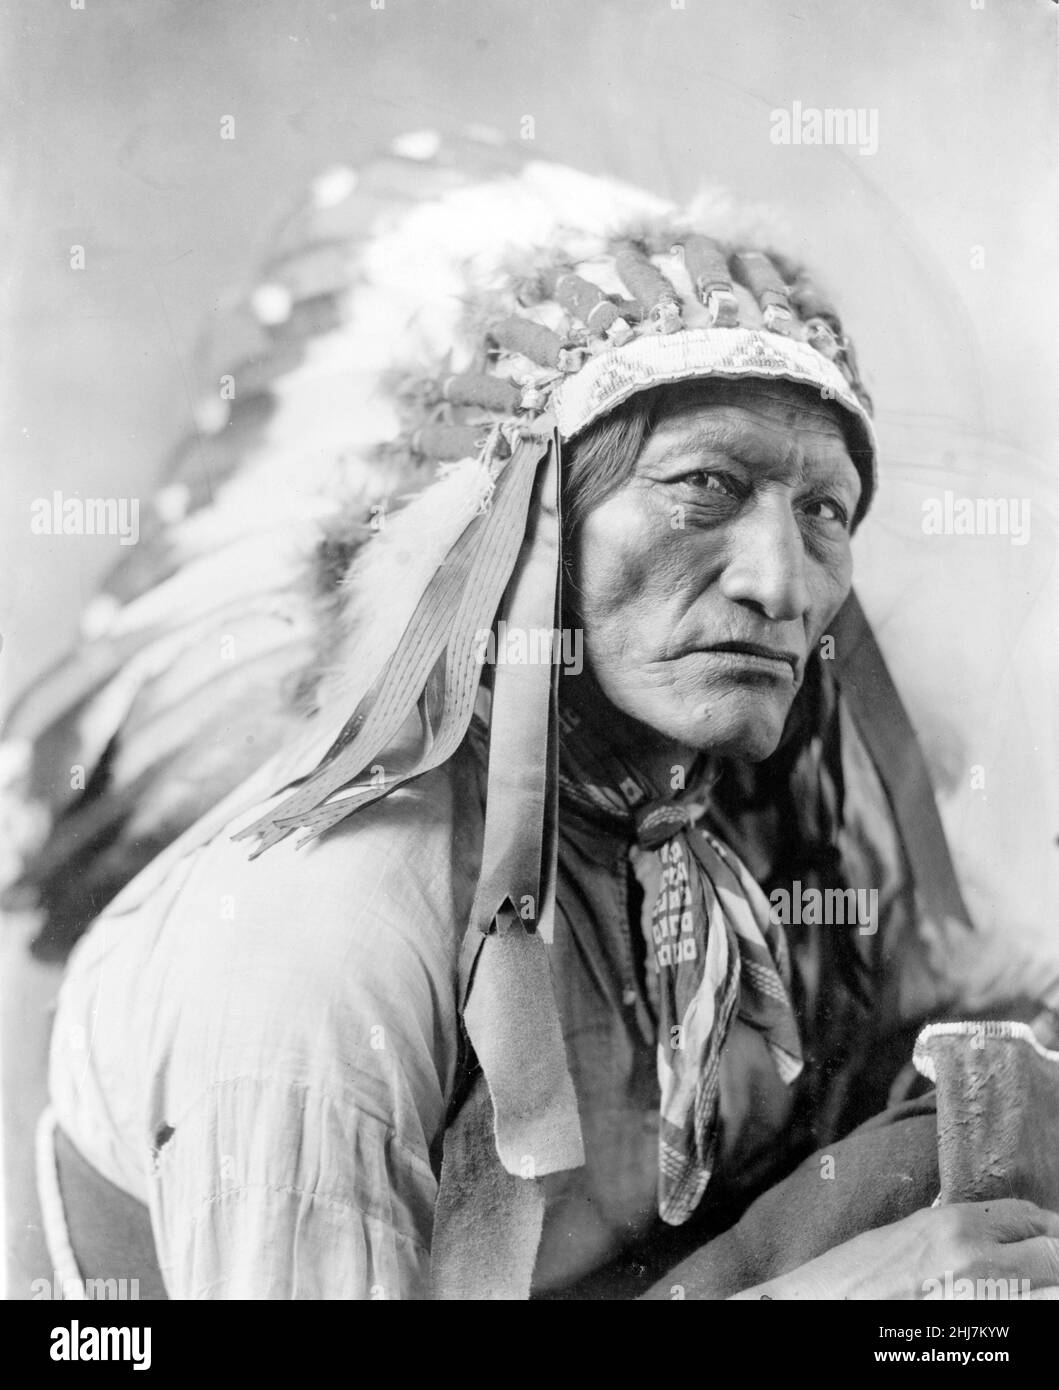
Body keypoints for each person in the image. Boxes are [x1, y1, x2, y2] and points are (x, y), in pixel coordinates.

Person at [37, 165, 1059, 1300]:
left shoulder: (721, 826)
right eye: (705, 487)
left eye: (823, 510)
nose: (780, 583)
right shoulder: (323, 943)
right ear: (523, 534)